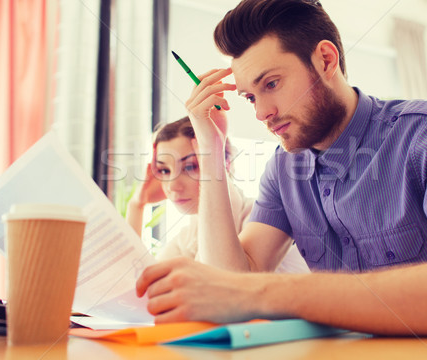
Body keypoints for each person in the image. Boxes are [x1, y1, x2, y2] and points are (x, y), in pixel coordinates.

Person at [136, 0, 427, 337]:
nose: (262, 113)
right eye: (250, 97)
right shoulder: (284, 169)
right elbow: (233, 280)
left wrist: (262, 295)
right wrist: (209, 145)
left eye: (271, 84)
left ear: (326, 60)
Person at [126, 110, 309, 273]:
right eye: (165, 171)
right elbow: (140, 289)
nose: (173, 185)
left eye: (191, 167)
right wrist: (137, 205)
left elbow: (215, 286)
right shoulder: (188, 235)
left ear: (224, 163)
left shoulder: (266, 222)